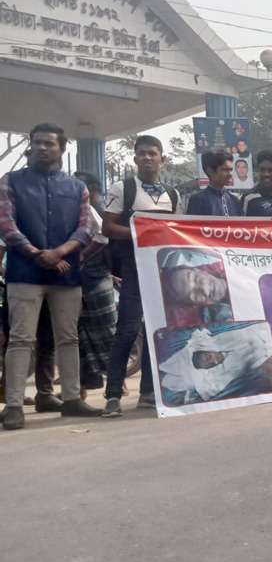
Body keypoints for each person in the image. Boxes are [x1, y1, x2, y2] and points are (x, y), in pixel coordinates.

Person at [0, 123, 103, 429]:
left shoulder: (77, 188)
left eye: (49, 143)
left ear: (62, 148)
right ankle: (14, 405)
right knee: (21, 339)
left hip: (65, 274)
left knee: (68, 338)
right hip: (24, 272)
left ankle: (71, 399)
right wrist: (37, 253)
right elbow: (6, 224)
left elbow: (86, 228)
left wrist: (59, 252)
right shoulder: (11, 181)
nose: (42, 148)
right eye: (37, 143)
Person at [101, 135, 182, 417]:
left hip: (162, 269)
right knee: (127, 329)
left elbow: (176, 231)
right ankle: (112, 394)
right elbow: (108, 228)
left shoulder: (173, 194)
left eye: (153, 153)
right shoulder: (122, 187)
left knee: (157, 328)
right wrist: (144, 233)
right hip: (133, 270)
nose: (148, 157)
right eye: (142, 153)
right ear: (134, 158)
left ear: (163, 158)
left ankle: (148, 391)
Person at [73, 171, 117, 396]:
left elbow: (105, 239)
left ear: (89, 189)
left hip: (98, 276)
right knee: (82, 332)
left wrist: (81, 257)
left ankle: (117, 381)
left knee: (106, 330)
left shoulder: (99, 211)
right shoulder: (79, 209)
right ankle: (86, 383)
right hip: (81, 277)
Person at [159, 325, 272, 405]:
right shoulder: (226, 370)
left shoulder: (219, 339)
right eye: (210, 365)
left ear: (205, 349)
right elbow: (208, 381)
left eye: (208, 357)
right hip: (269, 353)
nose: (213, 361)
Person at [161, 254, 232, 328]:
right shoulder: (225, 324)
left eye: (195, 279)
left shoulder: (230, 263)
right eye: (194, 295)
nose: (204, 288)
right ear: (196, 305)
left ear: (201, 271)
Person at [188, 148, 242, 216]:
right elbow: (193, 226)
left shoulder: (234, 200)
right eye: (225, 170)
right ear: (210, 171)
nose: (230, 174)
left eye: (231, 170)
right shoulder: (198, 200)